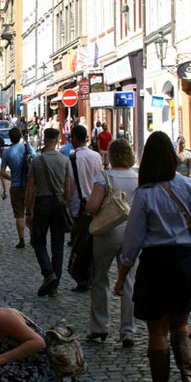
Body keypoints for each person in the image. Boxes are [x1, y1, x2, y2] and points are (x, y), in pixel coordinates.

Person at [114, 131, 191, 382]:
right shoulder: (189, 186)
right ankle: (190, 379)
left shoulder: (145, 194)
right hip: (186, 261)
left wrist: (123, 275)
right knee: (181, 325)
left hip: (156, 264)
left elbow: (133, 240)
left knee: (157, 331)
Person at [85, 138, 138, 347]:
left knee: (100, 279)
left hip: (107, 232)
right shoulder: (137, 177)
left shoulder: (104, 177)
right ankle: (128, 331)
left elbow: (92, 206)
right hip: (131, 233)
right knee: (129, 281)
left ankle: (100, 327)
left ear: (112, 156)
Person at [25, 128, 71, 296]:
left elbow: (30, 188)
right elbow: (68, 187)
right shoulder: (65, 160)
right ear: (58, 140)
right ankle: (54, 282)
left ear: (44, 139)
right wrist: (65, 204)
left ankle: (48, 273)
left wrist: (28, 211)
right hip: (59, 203)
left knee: (38, 242)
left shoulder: (37, 161)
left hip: (42, 202)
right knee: (58, 244)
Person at [68, 124, 103, 292]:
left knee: (80, 244)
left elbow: (70, 183)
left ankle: (83, 279)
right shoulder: (96, 156)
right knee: (93, 242)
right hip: (96, 202)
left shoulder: (73, 157)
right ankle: (91, 276)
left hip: (79, 204)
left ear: (75, 138)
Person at [2, 127, 36, 249]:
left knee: (19, 214)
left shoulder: (7, 152)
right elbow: (35, 162)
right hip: (29, 185)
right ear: (21, 135)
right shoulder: (28, 147)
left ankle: (21, 239)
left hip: (16, 186)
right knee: (31, 211)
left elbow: (2, 172)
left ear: (10, 138)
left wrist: (11, 178)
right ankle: (32, 236)